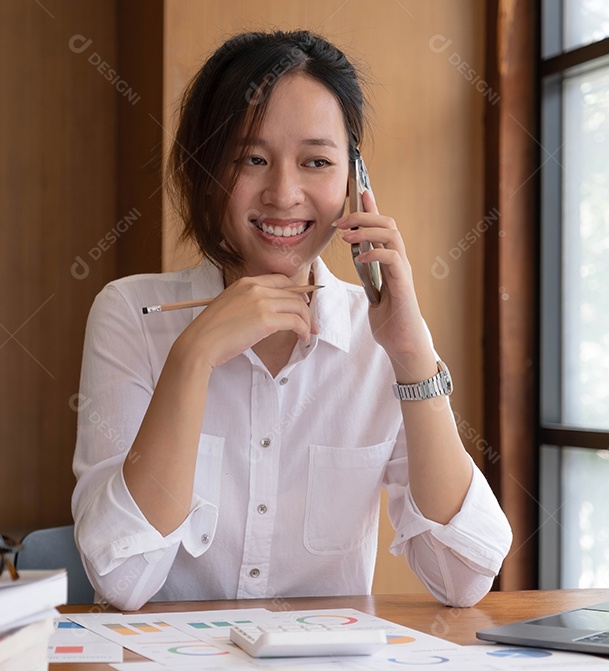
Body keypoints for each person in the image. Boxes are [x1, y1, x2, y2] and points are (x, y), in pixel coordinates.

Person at [71, 29, 512, 611]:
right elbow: (122, 581)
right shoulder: (131, 313)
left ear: (355, 183)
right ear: (205, 170)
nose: (283, 193)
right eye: (252, 159)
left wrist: (412, 357)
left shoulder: (376, 335)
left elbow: (464, 579)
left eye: (317, 162)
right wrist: (192, 357)